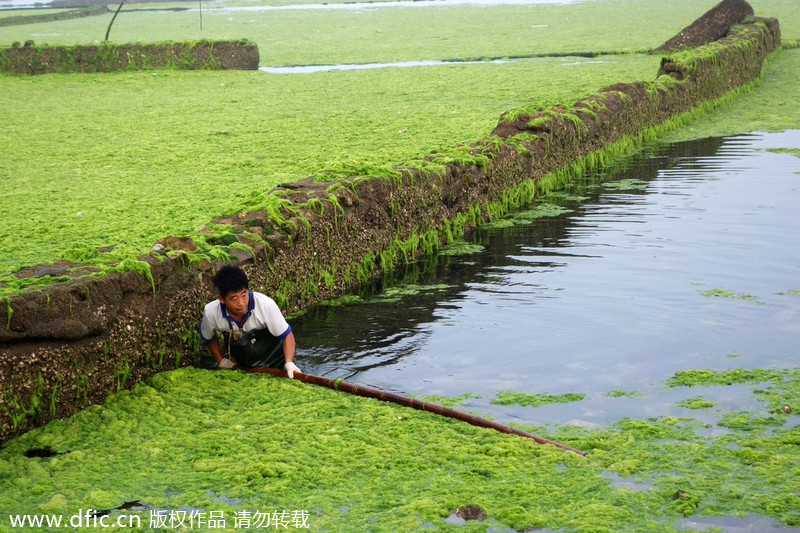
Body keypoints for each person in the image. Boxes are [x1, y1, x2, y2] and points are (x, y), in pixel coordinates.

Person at [199, 264, 301, 378]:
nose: (241, 303)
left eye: (244, 295)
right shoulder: (211, 312)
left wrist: (289, 363)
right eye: (234, 298)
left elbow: (287, 335)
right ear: (221, 299)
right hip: (242, 365)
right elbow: (209, 336)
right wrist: (221, 361)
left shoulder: (266, 306)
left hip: (276, 361)